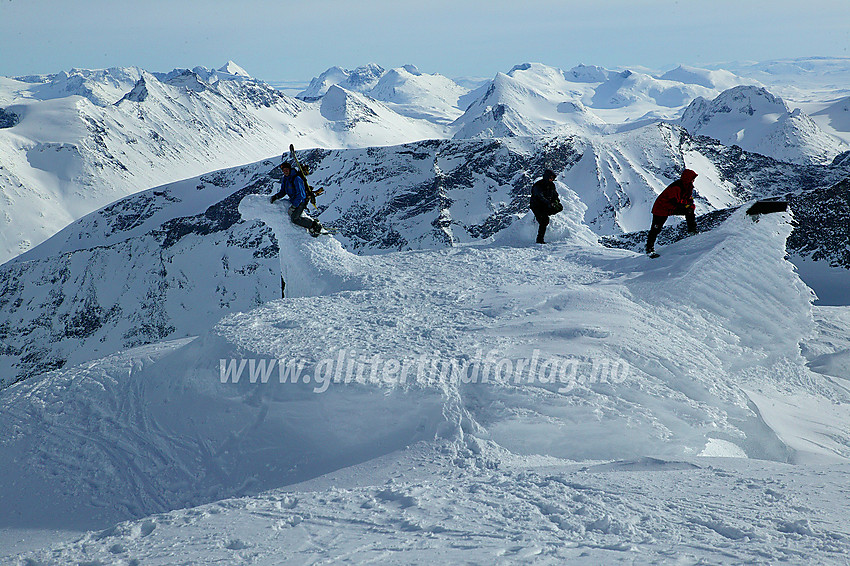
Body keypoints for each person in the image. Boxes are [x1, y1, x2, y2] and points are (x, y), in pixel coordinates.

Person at [645, 169, 699, 257]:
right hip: (661, 209)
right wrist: (686, 206)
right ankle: (649, 249)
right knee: (655, 229)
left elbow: (688, 199)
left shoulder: (687, 186)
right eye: (692, 178)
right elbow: (674, 202)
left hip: (670, 208)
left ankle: (692, 231)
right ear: (688, 178)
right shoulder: (677, 187)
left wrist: (689, 206)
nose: (693, 180)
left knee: (689, 211)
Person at [270, 161, 323, 237]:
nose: (285, 171)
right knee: (294, 215)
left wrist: (294, 206)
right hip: (295, 200)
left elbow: (301, 195)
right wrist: (276, 196)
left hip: (301, 201)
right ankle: (311, 223)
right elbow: (283, 191)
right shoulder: (285, 179)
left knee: (295, 218)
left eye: (286, 170)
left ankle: (314, 226)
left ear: (290, 169)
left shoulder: (296, 178)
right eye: (283, 170)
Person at [530, 169, 562, 244]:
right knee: (544, 221)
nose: (552, 180)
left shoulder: (551, 185)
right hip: (537, 206)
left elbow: (555, 195)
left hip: (545, 205)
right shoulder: (538, 185)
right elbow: (540, 196)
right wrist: (548, 203)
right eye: (551, 178)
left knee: (559, 207)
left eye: (553, 178)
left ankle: (544, 215)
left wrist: (555, 201)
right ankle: (539, 239)